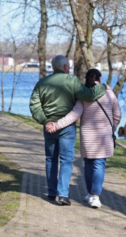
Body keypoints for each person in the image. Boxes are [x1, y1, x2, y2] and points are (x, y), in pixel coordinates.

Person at [30, 55, 107, 206]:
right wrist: (103, 87)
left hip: (49, 127)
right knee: (66, 160)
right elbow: (89, 95)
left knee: (50, 159)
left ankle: (52, 192)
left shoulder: (42, 83)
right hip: (67, 126)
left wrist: (46, 121)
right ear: (65, 67)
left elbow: (34, 106)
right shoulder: (72, 81)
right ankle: (63, 194)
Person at [46, 68, 121, 208]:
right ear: (99, 79)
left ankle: (90, 193)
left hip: (88, 136)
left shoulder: (83, 97)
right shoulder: (109, 94)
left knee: (88, 165)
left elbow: (74, 115)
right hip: (104, 137)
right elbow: (117, 115)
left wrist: (56, 125)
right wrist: (112, 127)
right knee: (99, 165)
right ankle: (95, 196)